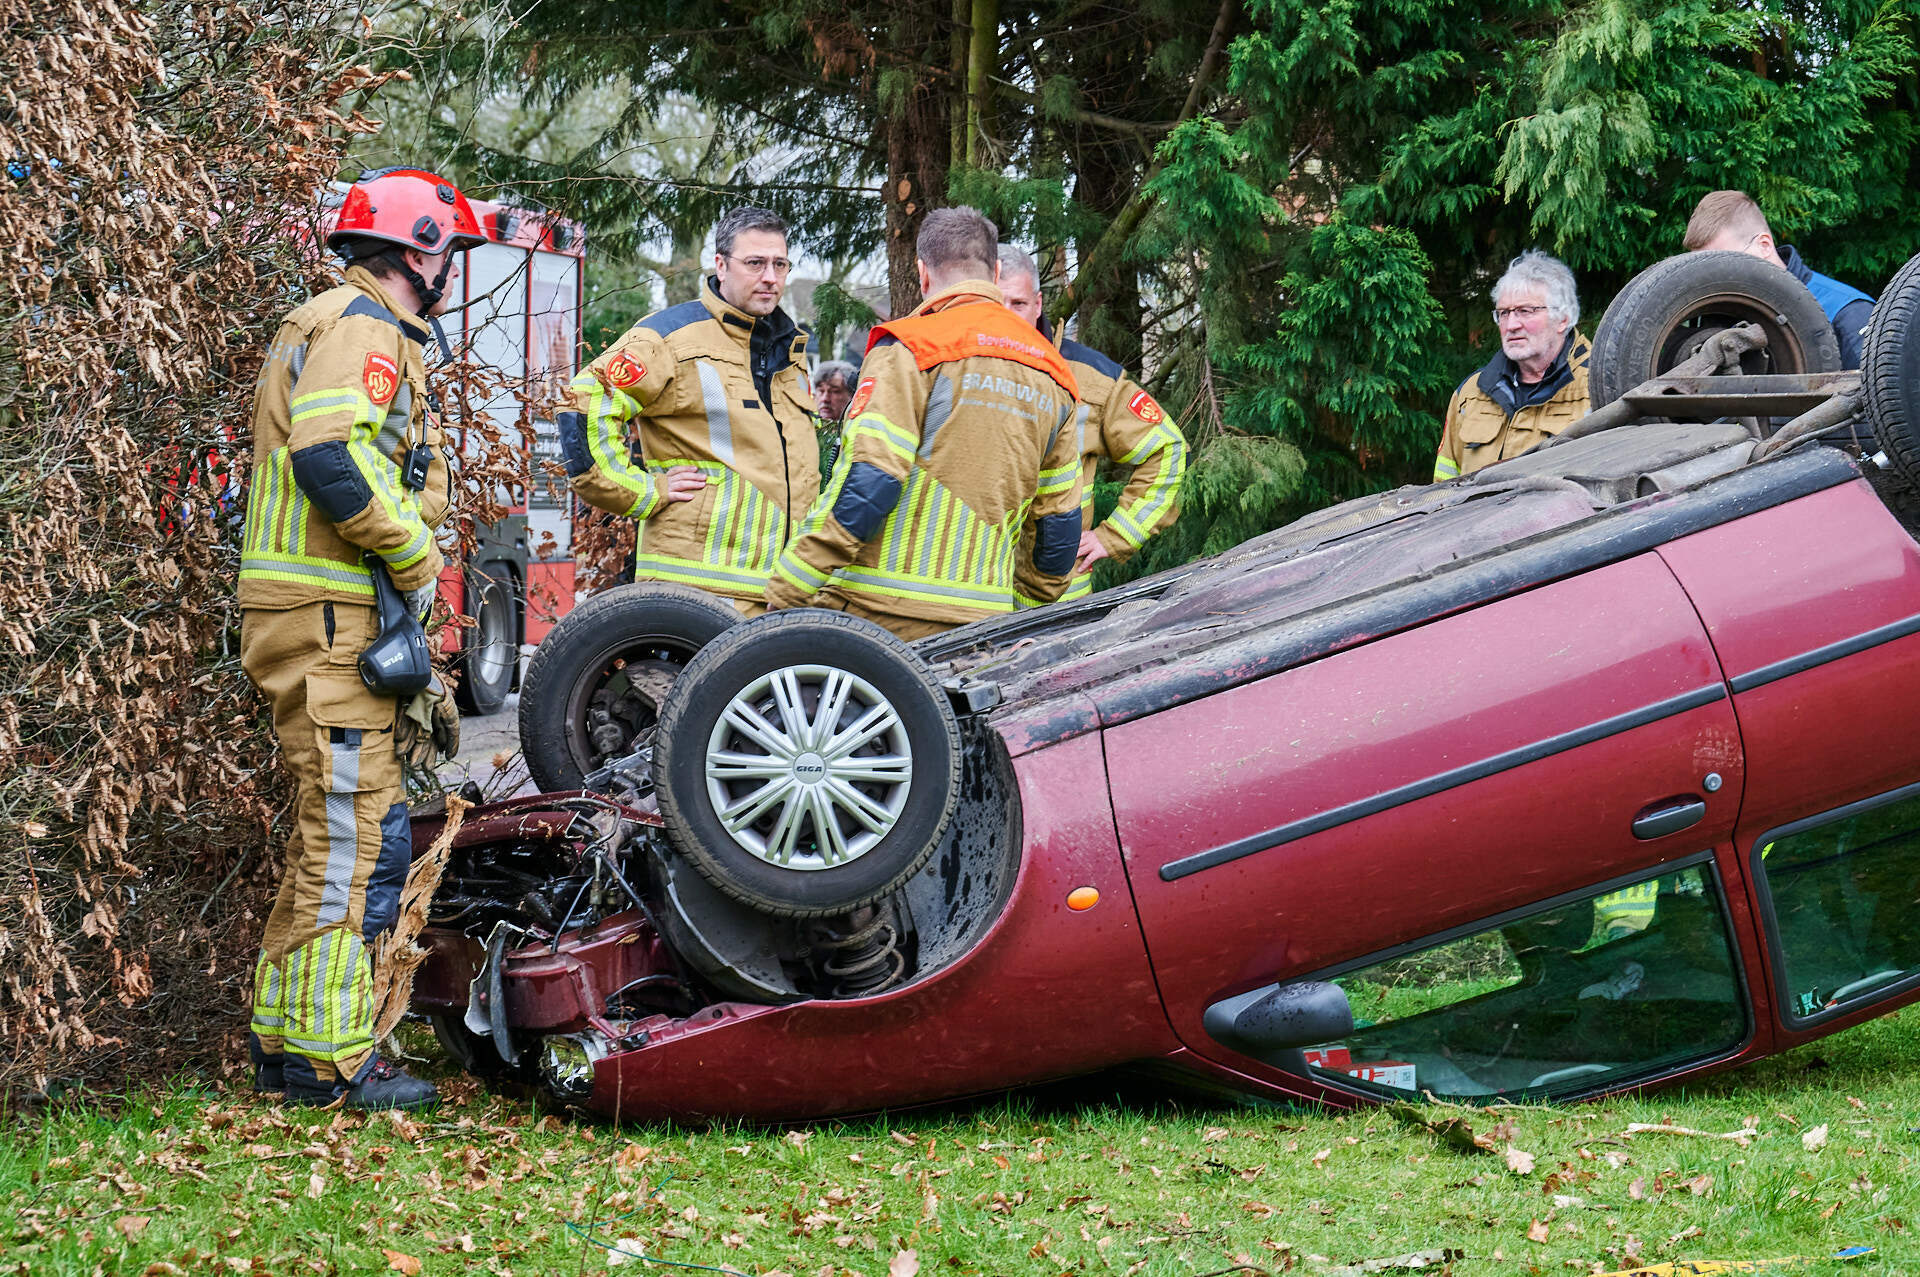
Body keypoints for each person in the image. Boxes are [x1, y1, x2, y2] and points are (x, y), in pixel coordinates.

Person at [238, 168, 482, 1110]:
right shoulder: (366, 327)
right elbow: (327, 455)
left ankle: (287, 1047)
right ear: (418, 248)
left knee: (323, 839)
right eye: (447, 249)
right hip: (333, 614)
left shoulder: (328, 319)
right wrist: (417, 554)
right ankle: (338, 1061)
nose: (451, 267)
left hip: (309, 611)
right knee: (360, 840)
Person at [765, 207, 1084, 639]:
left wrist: (793, 581)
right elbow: (1058, 522)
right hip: (982, 620)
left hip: (873, 612)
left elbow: (872, 479)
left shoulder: (912, 347)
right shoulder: (1055, 372)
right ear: (993, 271)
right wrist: (1024, 612)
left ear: (922, 272)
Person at [558, 206, 819, 609]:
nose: (770, 277)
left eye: (779, 264)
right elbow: (584, 403)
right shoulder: (669, 338)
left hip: (780, 599)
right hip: (694, 597)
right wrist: (644, 491)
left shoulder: (791, 351)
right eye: (755, 263)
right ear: (721, 264)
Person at [997, 246, 1188, 603]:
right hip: (975, 600)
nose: (1006, 317)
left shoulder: (1089, 377)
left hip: (1058, 604)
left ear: (1038, 305)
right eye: (996, 304)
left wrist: (1114, 535)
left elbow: (1168, 449)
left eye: (1017, 304)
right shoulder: (954, 369)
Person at [1434, 250, 1591, 481]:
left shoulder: (1598, 388)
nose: (1511, 325)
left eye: (1525, 311)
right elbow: (1444, 484)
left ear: (1563, 319)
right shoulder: (1471, 393)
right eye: (1504, 313)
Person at [1682, 190, 1877, 372]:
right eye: (1706, 270)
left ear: (1764, 245)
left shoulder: (1847, 312)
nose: (1716, 279)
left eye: (1725, 264)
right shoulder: (1714, 315)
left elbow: (1880, 398)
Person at [811, 358, 858, 472]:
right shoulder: (802, 427)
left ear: (852, 396)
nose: (825, 399)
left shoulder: (858, 433)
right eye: (821, 391)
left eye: (834, 391)